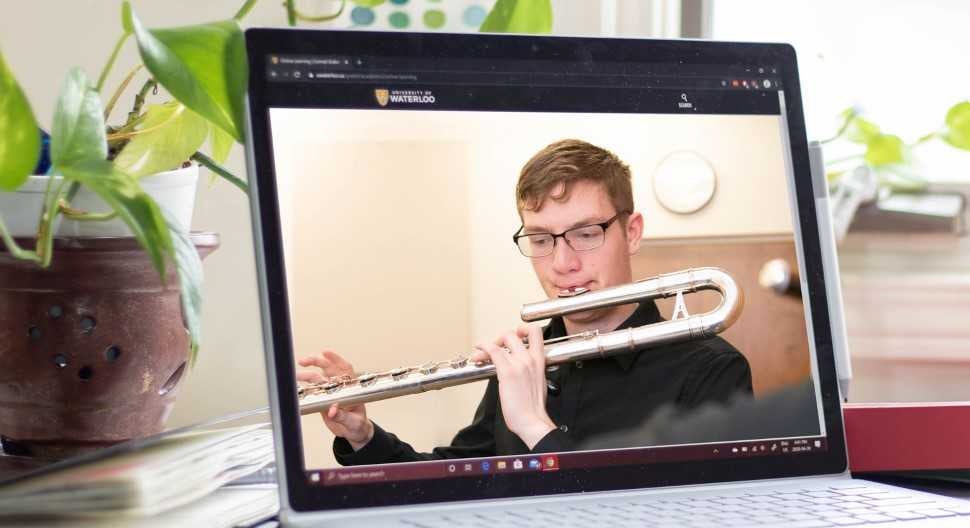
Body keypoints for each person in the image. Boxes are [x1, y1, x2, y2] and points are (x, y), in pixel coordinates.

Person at [298, 139, 752, 464]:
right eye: (540, 239)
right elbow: (454, 479)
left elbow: (681, 524)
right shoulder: (525, 360)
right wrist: (362, 435)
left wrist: (536, 428)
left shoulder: (711, 370)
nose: (562, 262)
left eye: (586, 234)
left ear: (631, 232)